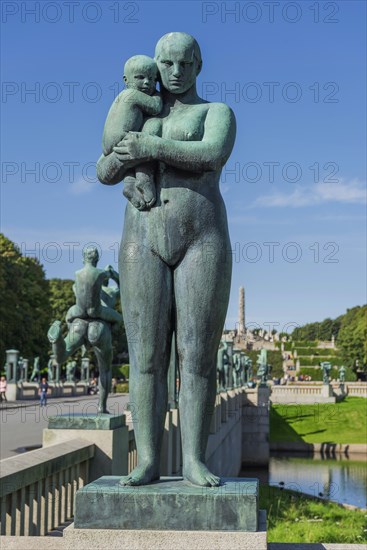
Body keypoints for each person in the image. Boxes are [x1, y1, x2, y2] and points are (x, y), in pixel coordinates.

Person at [97, 32, 236, 487]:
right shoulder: (137, 111)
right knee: (145, 357)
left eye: (184, 64)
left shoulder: (214, 112)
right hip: (141, 239)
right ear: (155, 65)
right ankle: (149, 460)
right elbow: (104, 166)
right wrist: (120, 165)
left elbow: (211, 154)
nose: (175, 73)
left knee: (195, 355)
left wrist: (150, 149)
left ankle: (193, 459)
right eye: (167, 64)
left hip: (202, 238)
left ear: (199, 64)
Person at [102, 55, 162, 211]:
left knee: (129, 162)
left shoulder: (120, 97)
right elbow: (156, 107)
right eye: (140, 78)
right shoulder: (133, 95)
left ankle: (129, 184)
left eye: (152, 79)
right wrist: (159, 92)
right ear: (126, 80)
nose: (147, 83)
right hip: (122, 138)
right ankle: (144, 177)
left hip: (108, 145)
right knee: (151, 129)